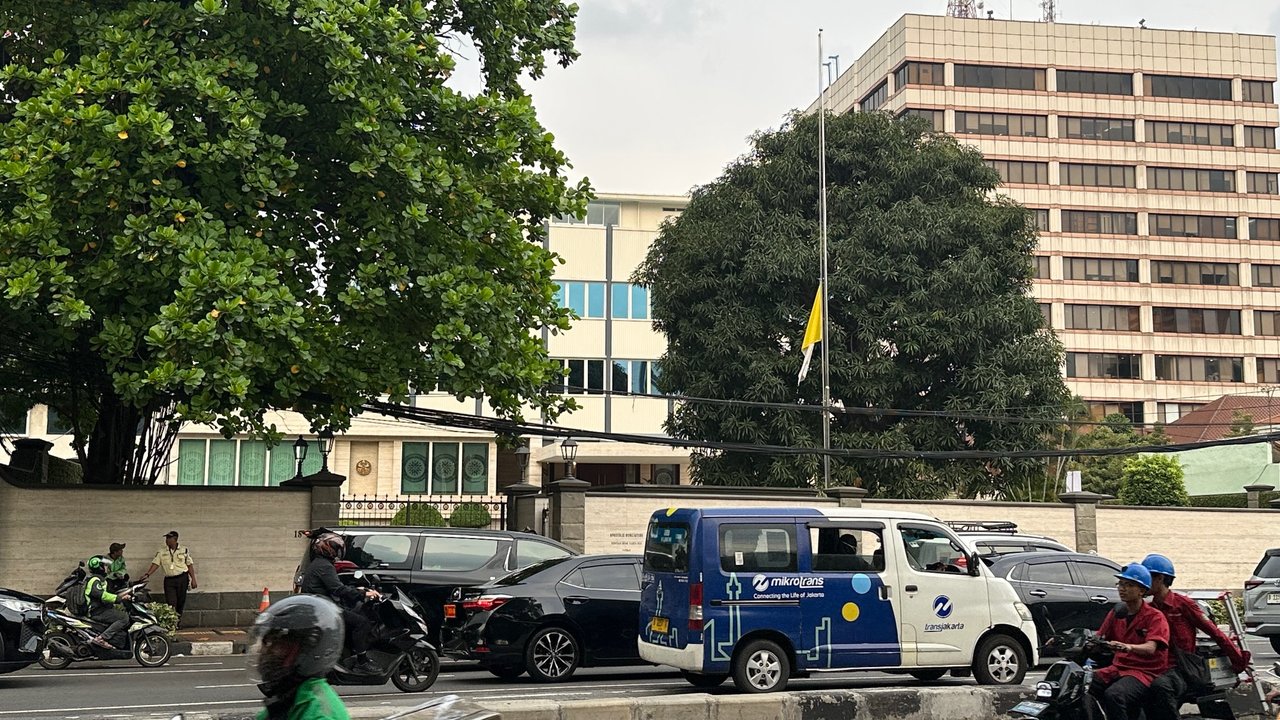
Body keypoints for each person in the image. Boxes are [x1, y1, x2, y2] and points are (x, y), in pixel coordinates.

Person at [1142, 553, 1251, 720]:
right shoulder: (1149, 608)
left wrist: (1238, 660)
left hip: (1182, 669)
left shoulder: (1183, 604)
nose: (1142, 581)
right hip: (1157, 666)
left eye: (1147, 576)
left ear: (1160, 579)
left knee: (1160, 688)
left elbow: (1215, 632)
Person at [248, 594, 351, 720]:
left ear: (303, 653)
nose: (265, 651)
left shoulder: (318, 713)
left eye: (276, 644)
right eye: (267, 643)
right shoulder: (289, 698)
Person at [1090, 562, 1171, 720]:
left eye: (1128, 585)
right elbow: (1099, 637)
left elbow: (1150, 648)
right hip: (1118, 668)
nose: (1122, 588)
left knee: (1114, 695)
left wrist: (1127, 647)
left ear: (1142, 590)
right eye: (1120, 584)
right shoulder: (1117, 612)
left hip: (1145, 672)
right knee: (1081, 685)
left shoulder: (1155, 617)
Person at [299, 531, 381, 675]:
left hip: (320, 606)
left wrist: (358, 589)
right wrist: (363, 593)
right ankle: (361, 662)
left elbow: (333, 585)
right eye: (336, 548)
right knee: (361, 623)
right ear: (328, 549)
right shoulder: (324, 566)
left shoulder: (319, 564)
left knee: (352, 614)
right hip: (325, 609)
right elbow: (337, 589)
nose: (338, 551)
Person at [140, 530, 197, 621]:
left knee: (180, 601)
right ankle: (172, 622)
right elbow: (155, 564)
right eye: (166, 538)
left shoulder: (184, 550)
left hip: (182, 578)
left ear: (175, 539)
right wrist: (147, 574)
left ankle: (177, 622)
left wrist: (193, 579)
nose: (167, 540)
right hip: (169, 580)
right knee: (171, 602)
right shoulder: (162, 552)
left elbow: (189, 565)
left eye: (169, 538)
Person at [84, 555, 132, 648]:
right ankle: (102, 638)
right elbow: (102, 595)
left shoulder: (100, 580)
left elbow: (109, 593)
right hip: (96, 611)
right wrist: (118, 599)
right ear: (99, 567)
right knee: (124, 617)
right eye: (104, 566)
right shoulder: (94, 580)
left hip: (101, 608)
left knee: (119, 612)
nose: (106, 568)